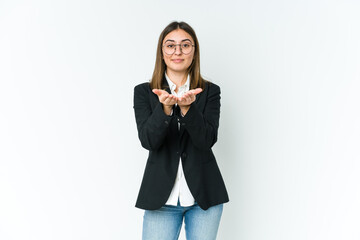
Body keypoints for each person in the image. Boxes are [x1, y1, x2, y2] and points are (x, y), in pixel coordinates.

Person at [133, 21, 229, 240]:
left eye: (185, 45)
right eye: (170, 45)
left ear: (194, 53)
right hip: (161, 200)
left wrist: (188, 109)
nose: (178, 51)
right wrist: (165, 109)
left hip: (204, 198)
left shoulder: (210, 91)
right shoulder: (144, 92)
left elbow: (207, 140)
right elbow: (148, 140)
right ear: (162, 52)